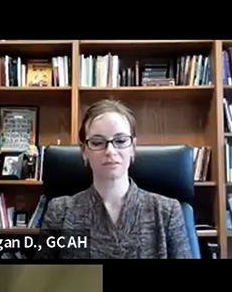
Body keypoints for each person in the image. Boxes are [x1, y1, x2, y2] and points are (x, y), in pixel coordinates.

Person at [41, 99, 194, 259]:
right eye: (98, 142)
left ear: (133, 148)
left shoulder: (167, 212)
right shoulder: (60, 212)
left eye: (120, 141)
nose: (110, 151)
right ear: (84, 151)